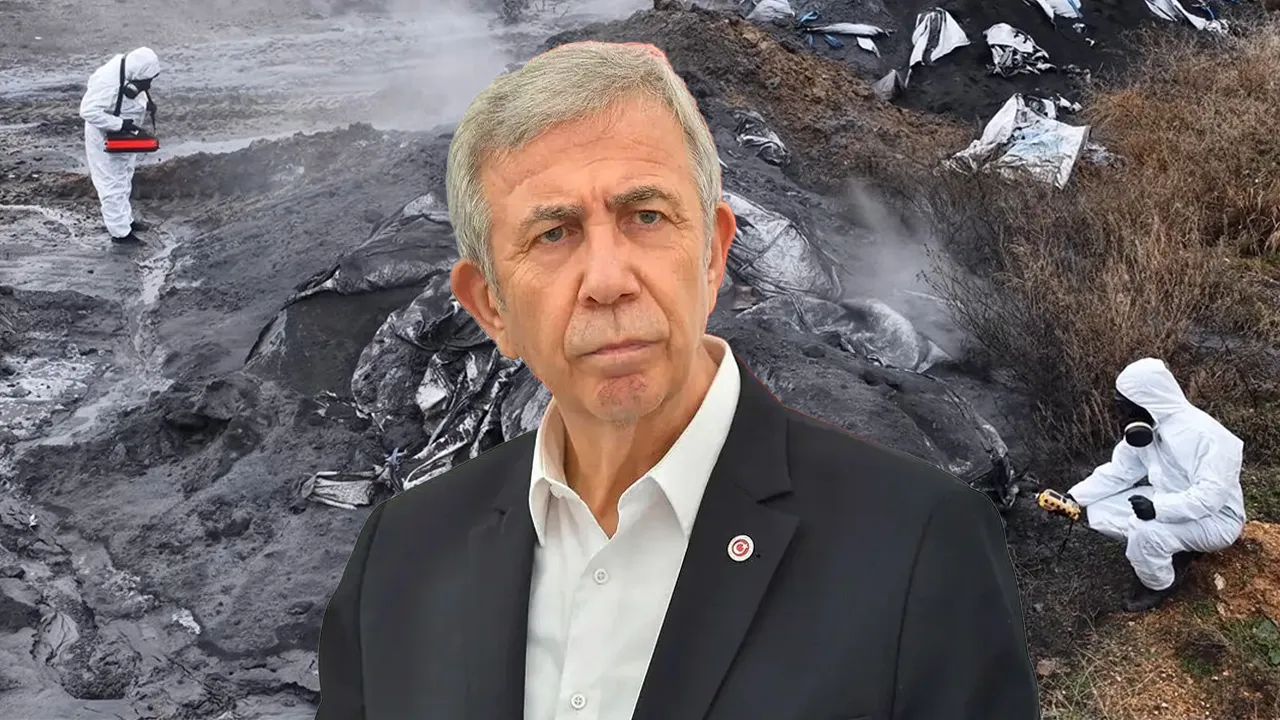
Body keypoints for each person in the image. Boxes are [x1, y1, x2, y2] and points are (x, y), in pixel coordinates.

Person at [317, 41, 1038, 719]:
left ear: (715, 257)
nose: (608, 281)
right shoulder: (398, 558)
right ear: (490, 308)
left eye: (647, 215)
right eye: (553, 233)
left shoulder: (917, 548)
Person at [1067, 357, 1246, 613]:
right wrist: (1074, 497)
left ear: (1148, 401)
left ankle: (1159, 584)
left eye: (1126, 408)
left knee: (1144, 530)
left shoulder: (1209, 436)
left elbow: (1210, 497)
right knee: (1099, 510)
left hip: (1217, 519)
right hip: (1169, 499)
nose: (1122, 416)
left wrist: (1157, 510)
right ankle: (1175, 546)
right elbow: (1119, 472)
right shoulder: (1147, 429)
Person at [79, 47, 160, 245]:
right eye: (145, 82)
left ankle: (126, 221)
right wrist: (120, 124)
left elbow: (128, 95)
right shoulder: (107, 82)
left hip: (124, 134)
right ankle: (120, 234)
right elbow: (88, 111)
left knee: (124, 176)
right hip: (104, 136)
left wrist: (145, 105)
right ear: (136, 75)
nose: (148, 85)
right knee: (111, 184)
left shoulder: (129, 69)